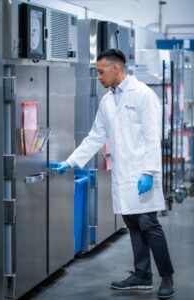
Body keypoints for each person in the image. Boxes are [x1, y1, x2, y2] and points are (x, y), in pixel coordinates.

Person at [53, 49, 174, 299]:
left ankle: (167, 277)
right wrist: (72, 161)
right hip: (124, 174)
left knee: (149, 224)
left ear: (115, 69)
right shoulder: (108, 101)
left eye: (101, 72)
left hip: (142, 173)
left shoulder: (142, 94)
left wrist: (150, 172)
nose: (98, 77)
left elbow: (153, 137)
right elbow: (96, 136)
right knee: (133, 224)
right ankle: (142, 274)